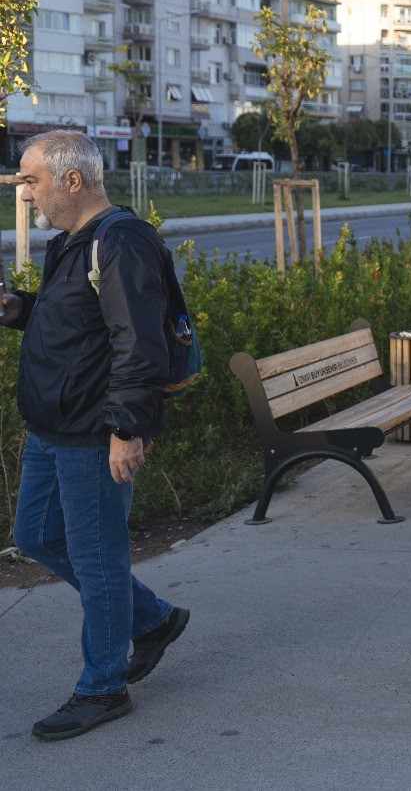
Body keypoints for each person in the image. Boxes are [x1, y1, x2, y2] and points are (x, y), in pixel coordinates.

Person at [3, 131, 190, 740]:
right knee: (34, 534)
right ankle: (152, 619)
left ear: (71, 181)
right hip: (51, 426)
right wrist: (18, 308)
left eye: (31, 181)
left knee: (98, 559)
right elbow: (77, 321)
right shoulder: (73, 244)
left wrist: (127, 429)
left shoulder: (121, 241)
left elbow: (139, 342)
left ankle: (103, 687)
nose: (25, 195)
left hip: (93, 430)